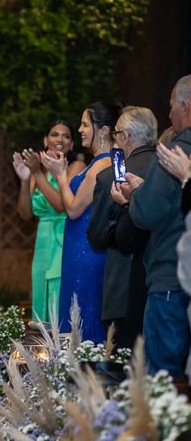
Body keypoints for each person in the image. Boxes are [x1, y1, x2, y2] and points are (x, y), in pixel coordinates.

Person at [119, 75, 191, 377]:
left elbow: (146, 212)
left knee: (163, 381)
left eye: (172, 105)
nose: (169, 112)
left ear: (185, 106)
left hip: (170, 279)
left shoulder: (178, 148)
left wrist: (135, 194)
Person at [41, 101, 122, 343]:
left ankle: (84, 371)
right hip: (85, 247)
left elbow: (74, 209)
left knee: (82, 316)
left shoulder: (100, 165)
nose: (80, 129)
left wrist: (61, 176)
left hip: (85, 251)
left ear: (104, 130)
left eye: (85, 124)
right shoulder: (116, 159)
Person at [88, 107, 157, 349]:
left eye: (116, 134)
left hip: (123, 289)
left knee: (122, 371)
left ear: (125, 137)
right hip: (160, 285)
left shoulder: (110, 177)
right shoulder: (167, 171)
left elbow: (96, 236)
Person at [12, 120, 84, 324]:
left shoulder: (75, 167)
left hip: (64, 240)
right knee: (40, 298)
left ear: (71, 145)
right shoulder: (39, 173)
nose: (60, 139)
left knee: (59, 295)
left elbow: (62, 205)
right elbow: (25, 214)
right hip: (42, 244)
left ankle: (61, 350)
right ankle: (42, 354)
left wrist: (36, 172)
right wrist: (26, 179)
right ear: (45, 140)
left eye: (66, 136)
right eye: (54, 134)